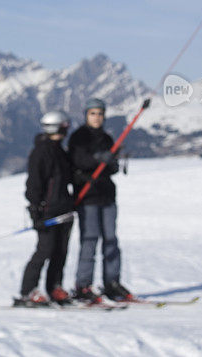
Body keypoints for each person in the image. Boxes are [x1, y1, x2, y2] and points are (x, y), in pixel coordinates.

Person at [69, 97, 134, 303]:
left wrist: (111, 163)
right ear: (86, 115)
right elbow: (77, 161)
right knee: (89, 241)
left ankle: (111, 282)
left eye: (100, 113)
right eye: (93, 113)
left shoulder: (107, 138)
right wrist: (97, 159)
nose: (97, 117)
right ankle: (83, 285)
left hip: (107, 195)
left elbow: (111, 166)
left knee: (111, 240)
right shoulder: (78, 137)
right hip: (87, 196)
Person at [15, 111, 75, 307]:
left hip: (64, 209)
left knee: (60, 251)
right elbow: (34, 183)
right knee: (44, 250)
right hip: (47, 211)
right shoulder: (41, 152)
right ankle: (27, 291)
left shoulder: (60, 150)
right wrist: (35, 209)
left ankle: (54, 286)